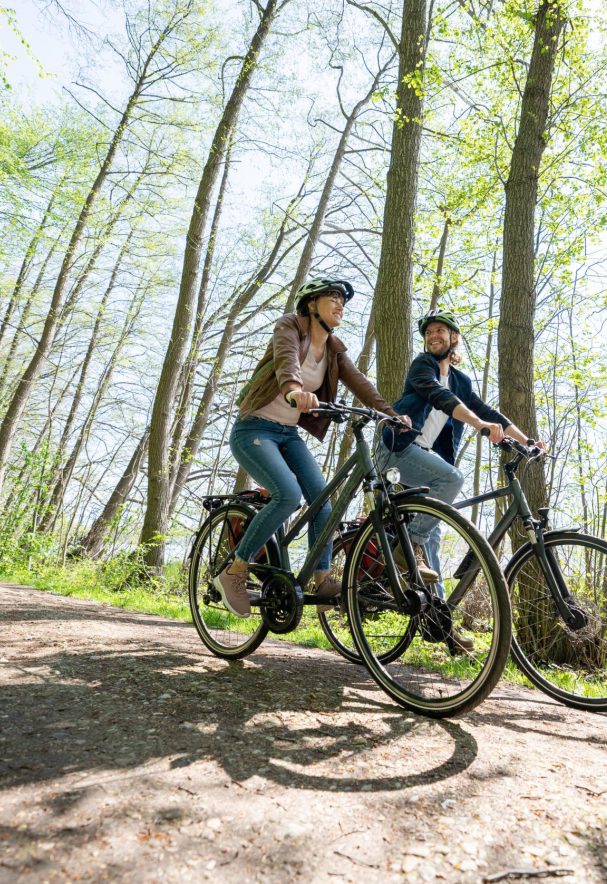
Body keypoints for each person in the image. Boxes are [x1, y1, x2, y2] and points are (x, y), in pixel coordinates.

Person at [215, 278, 408, 617]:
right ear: (311, 304)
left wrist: (391, 414)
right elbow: (286, 359)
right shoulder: (291, 326)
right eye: (332, 297)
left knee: (324, 503)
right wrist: (294, 390)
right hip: (253, 429)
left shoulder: (334, 349)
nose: (340, 305)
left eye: (342, 301)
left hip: (288, 434)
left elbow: (360, 382)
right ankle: (235, 570)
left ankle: (322, 575)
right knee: (287, 495)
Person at [374, 309, 542, 650]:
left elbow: (487, 412)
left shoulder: (462, 381)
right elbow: (441, 399)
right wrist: (479, 426)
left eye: (441, 330)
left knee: (432, 537)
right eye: (429, 332)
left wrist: (527, 442)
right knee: (452, 479)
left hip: (424, 462)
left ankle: (438, 623)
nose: (433, 335)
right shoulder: (422, 366)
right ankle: (410, 549)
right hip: (397, 450)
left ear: (454, 338)